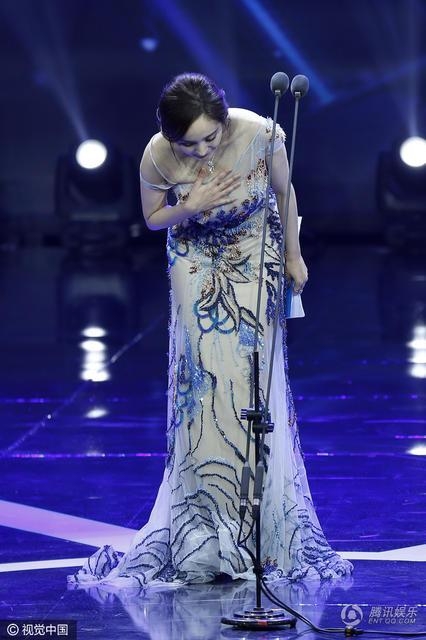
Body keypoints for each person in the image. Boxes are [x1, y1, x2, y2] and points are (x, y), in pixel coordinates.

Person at [68, 72, 353, 588]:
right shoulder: (156, 156)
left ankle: (258, 525)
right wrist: (189, 206)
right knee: (202, 385)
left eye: (210, 138)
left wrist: (294, 254)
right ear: (170, 137)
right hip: (195, 260)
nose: (201, 151)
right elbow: (153, 219)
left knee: (251, 380)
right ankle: (203, 526)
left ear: (224, 122)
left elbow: (284, 193)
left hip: (253, 252)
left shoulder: (261, 132)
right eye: (189, 144)